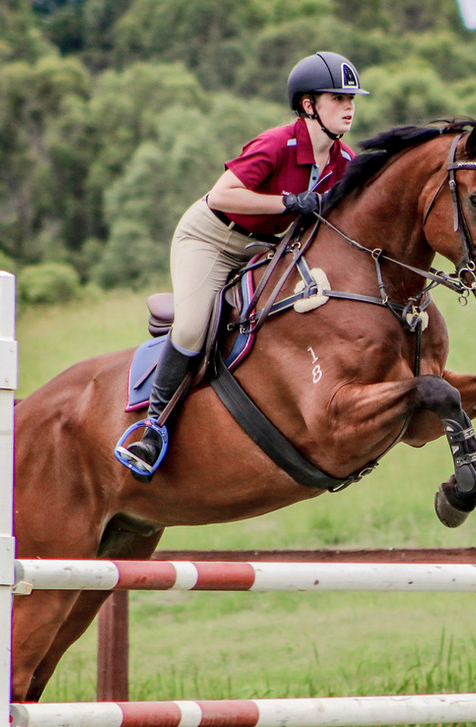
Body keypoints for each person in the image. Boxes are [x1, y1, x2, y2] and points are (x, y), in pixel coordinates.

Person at [114, 51, 369, 480]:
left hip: (267, 249)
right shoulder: (278, 143)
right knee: (192, 326)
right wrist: (289, 202)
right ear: (309, 105)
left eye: (352, 99)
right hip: (211, 238)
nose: (349, 107)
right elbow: (222, 195)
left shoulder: (345, 161)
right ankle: (153, 428)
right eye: (338, 98)